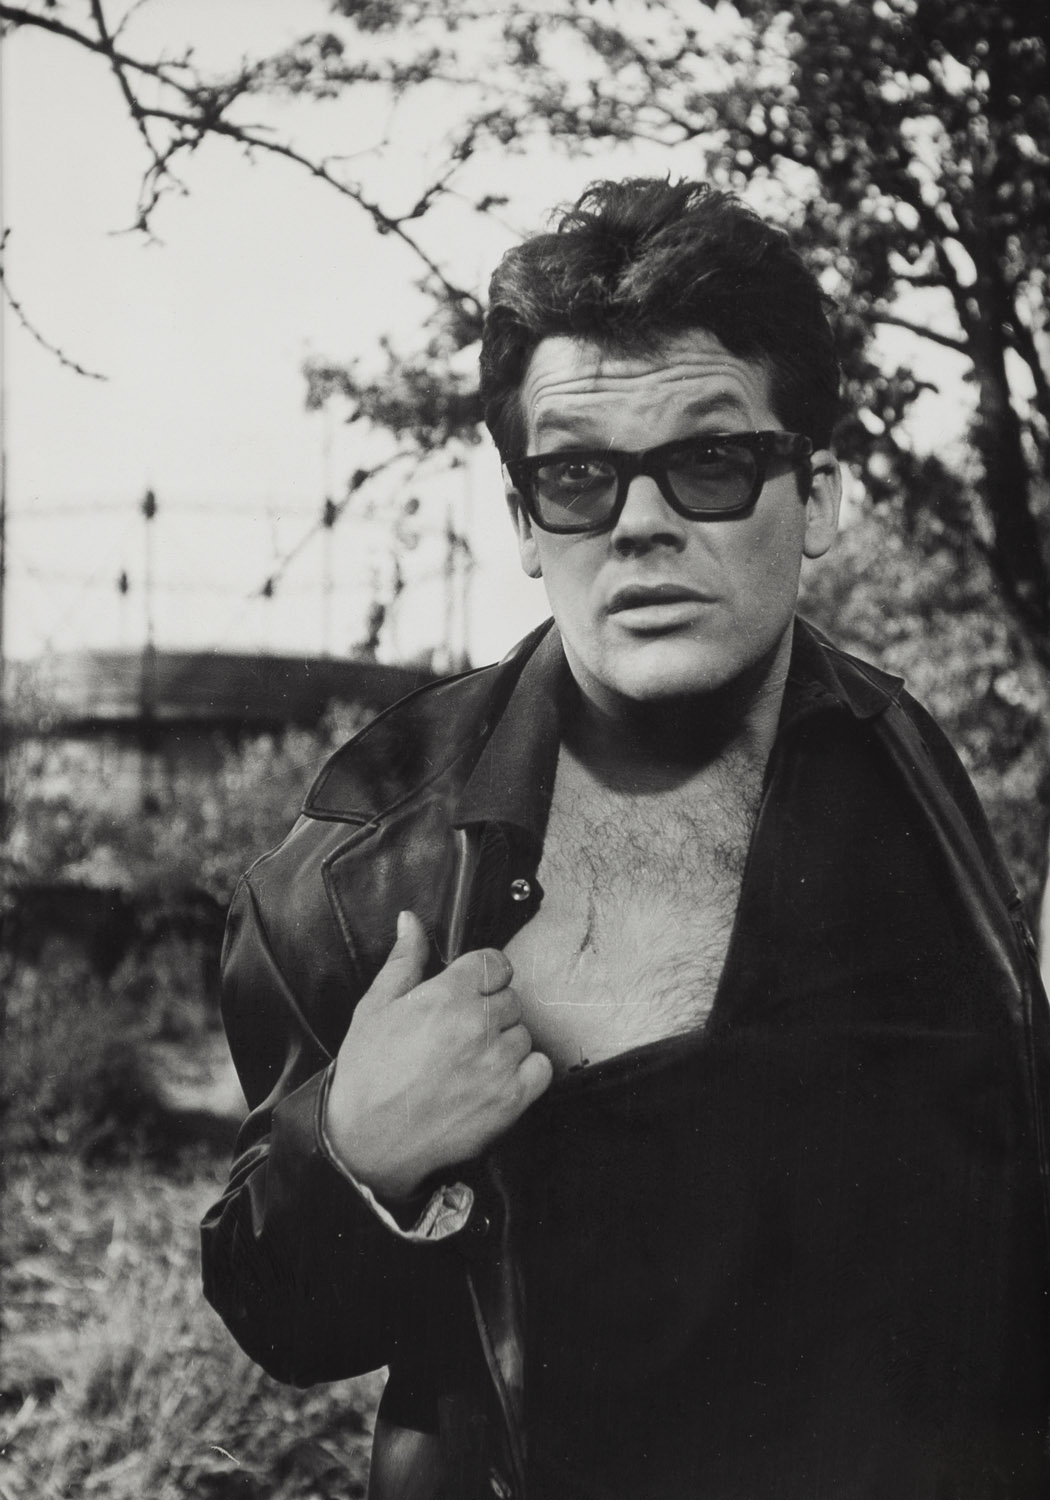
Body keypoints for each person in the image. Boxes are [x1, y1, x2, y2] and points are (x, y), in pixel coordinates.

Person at [201, 178, 1050, 1499]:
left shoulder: (907, 766)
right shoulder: (366, 864)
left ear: (817, 498)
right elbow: (284, 1320)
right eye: (580, 477)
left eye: (709, 463)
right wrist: (355, 1152)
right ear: (526, 523)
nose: (641, 523)